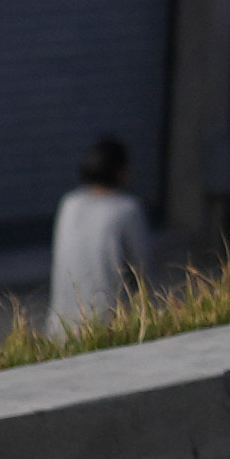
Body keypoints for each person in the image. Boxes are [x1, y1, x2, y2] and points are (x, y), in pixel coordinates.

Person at [46, 138, 153, 332]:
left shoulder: (69, 203)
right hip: (104, 328)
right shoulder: (127, 210)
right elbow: (141, 270)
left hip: (60, 326)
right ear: (121, 172)